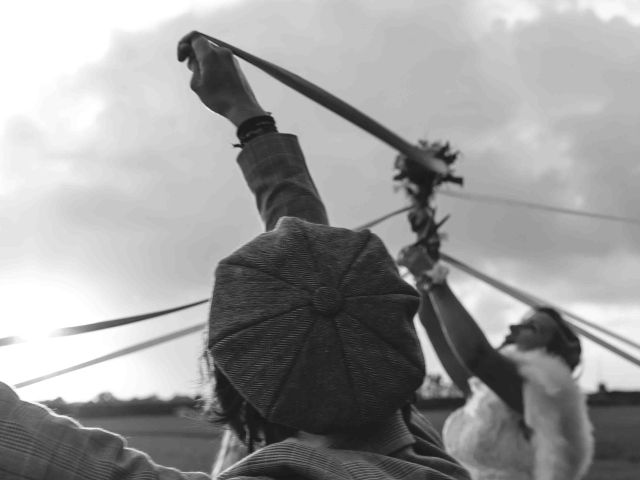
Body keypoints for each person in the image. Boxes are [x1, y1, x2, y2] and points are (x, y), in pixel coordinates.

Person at [0, 31, 471, 480]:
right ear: (395, 357)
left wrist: (246, 114)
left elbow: (85, 465)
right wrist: (249, 117)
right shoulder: (426, 457)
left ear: (245, 390)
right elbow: (321, 274)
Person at [398, 243, 594, 480]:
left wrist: (433, 278)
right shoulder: (487, 393)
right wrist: (426, 269)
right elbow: (433, 326)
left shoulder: (541, 390)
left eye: (531, 327)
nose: (514, 327)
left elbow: (476, 355)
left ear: (551, 355)